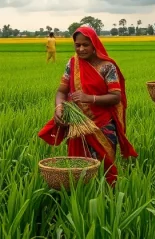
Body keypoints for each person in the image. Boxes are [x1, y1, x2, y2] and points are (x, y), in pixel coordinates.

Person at [38, 26, 137, 186]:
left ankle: (108, 201)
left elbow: (116, 97)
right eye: (78, 45)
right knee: (78, 170)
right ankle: (81, 201)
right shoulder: (72, 64)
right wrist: (59, 108)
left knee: (105, 168)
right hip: (77, 126)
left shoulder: (107, 67)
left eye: (86, 45)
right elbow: (61, 92)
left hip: (102, 126)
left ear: (94, 45)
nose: (81, 49)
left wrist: (89, 98)